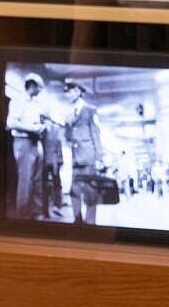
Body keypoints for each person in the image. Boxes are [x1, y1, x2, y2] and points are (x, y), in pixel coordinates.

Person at [7, 73, 60, 220]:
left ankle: (37, 214)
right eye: (39, 88)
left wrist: (43, 124)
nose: (40, 92)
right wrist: (33, 128)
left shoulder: (34, 104)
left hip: (36, 144)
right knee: (26, 181)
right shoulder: (18, 100)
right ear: (32, 86)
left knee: (38, 181)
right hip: (23, 142)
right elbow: (11, 123)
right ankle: (22, 216)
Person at [61, 79, 105, 225]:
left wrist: (99, 157)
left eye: (70, 91)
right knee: (74, 191)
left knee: (91, 191)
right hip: (75, 158)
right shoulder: (68, 113)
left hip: (88, 156)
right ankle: (77, 220)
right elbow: (67, 137)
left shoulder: (90, 110)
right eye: (66, 92)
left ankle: (91, 222)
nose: (67, 95)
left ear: (78, 91)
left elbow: (96, 134)